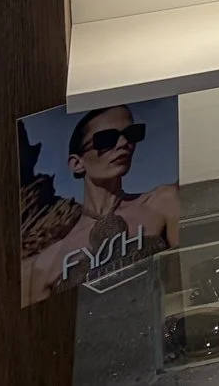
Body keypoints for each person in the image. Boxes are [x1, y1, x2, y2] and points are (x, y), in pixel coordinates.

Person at [20, 106, 180, 304]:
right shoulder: (47, 264)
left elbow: (186, 285)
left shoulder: (163, 203)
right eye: (107, 139)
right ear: (77, 164)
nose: (124, 143)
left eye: (131, 134)